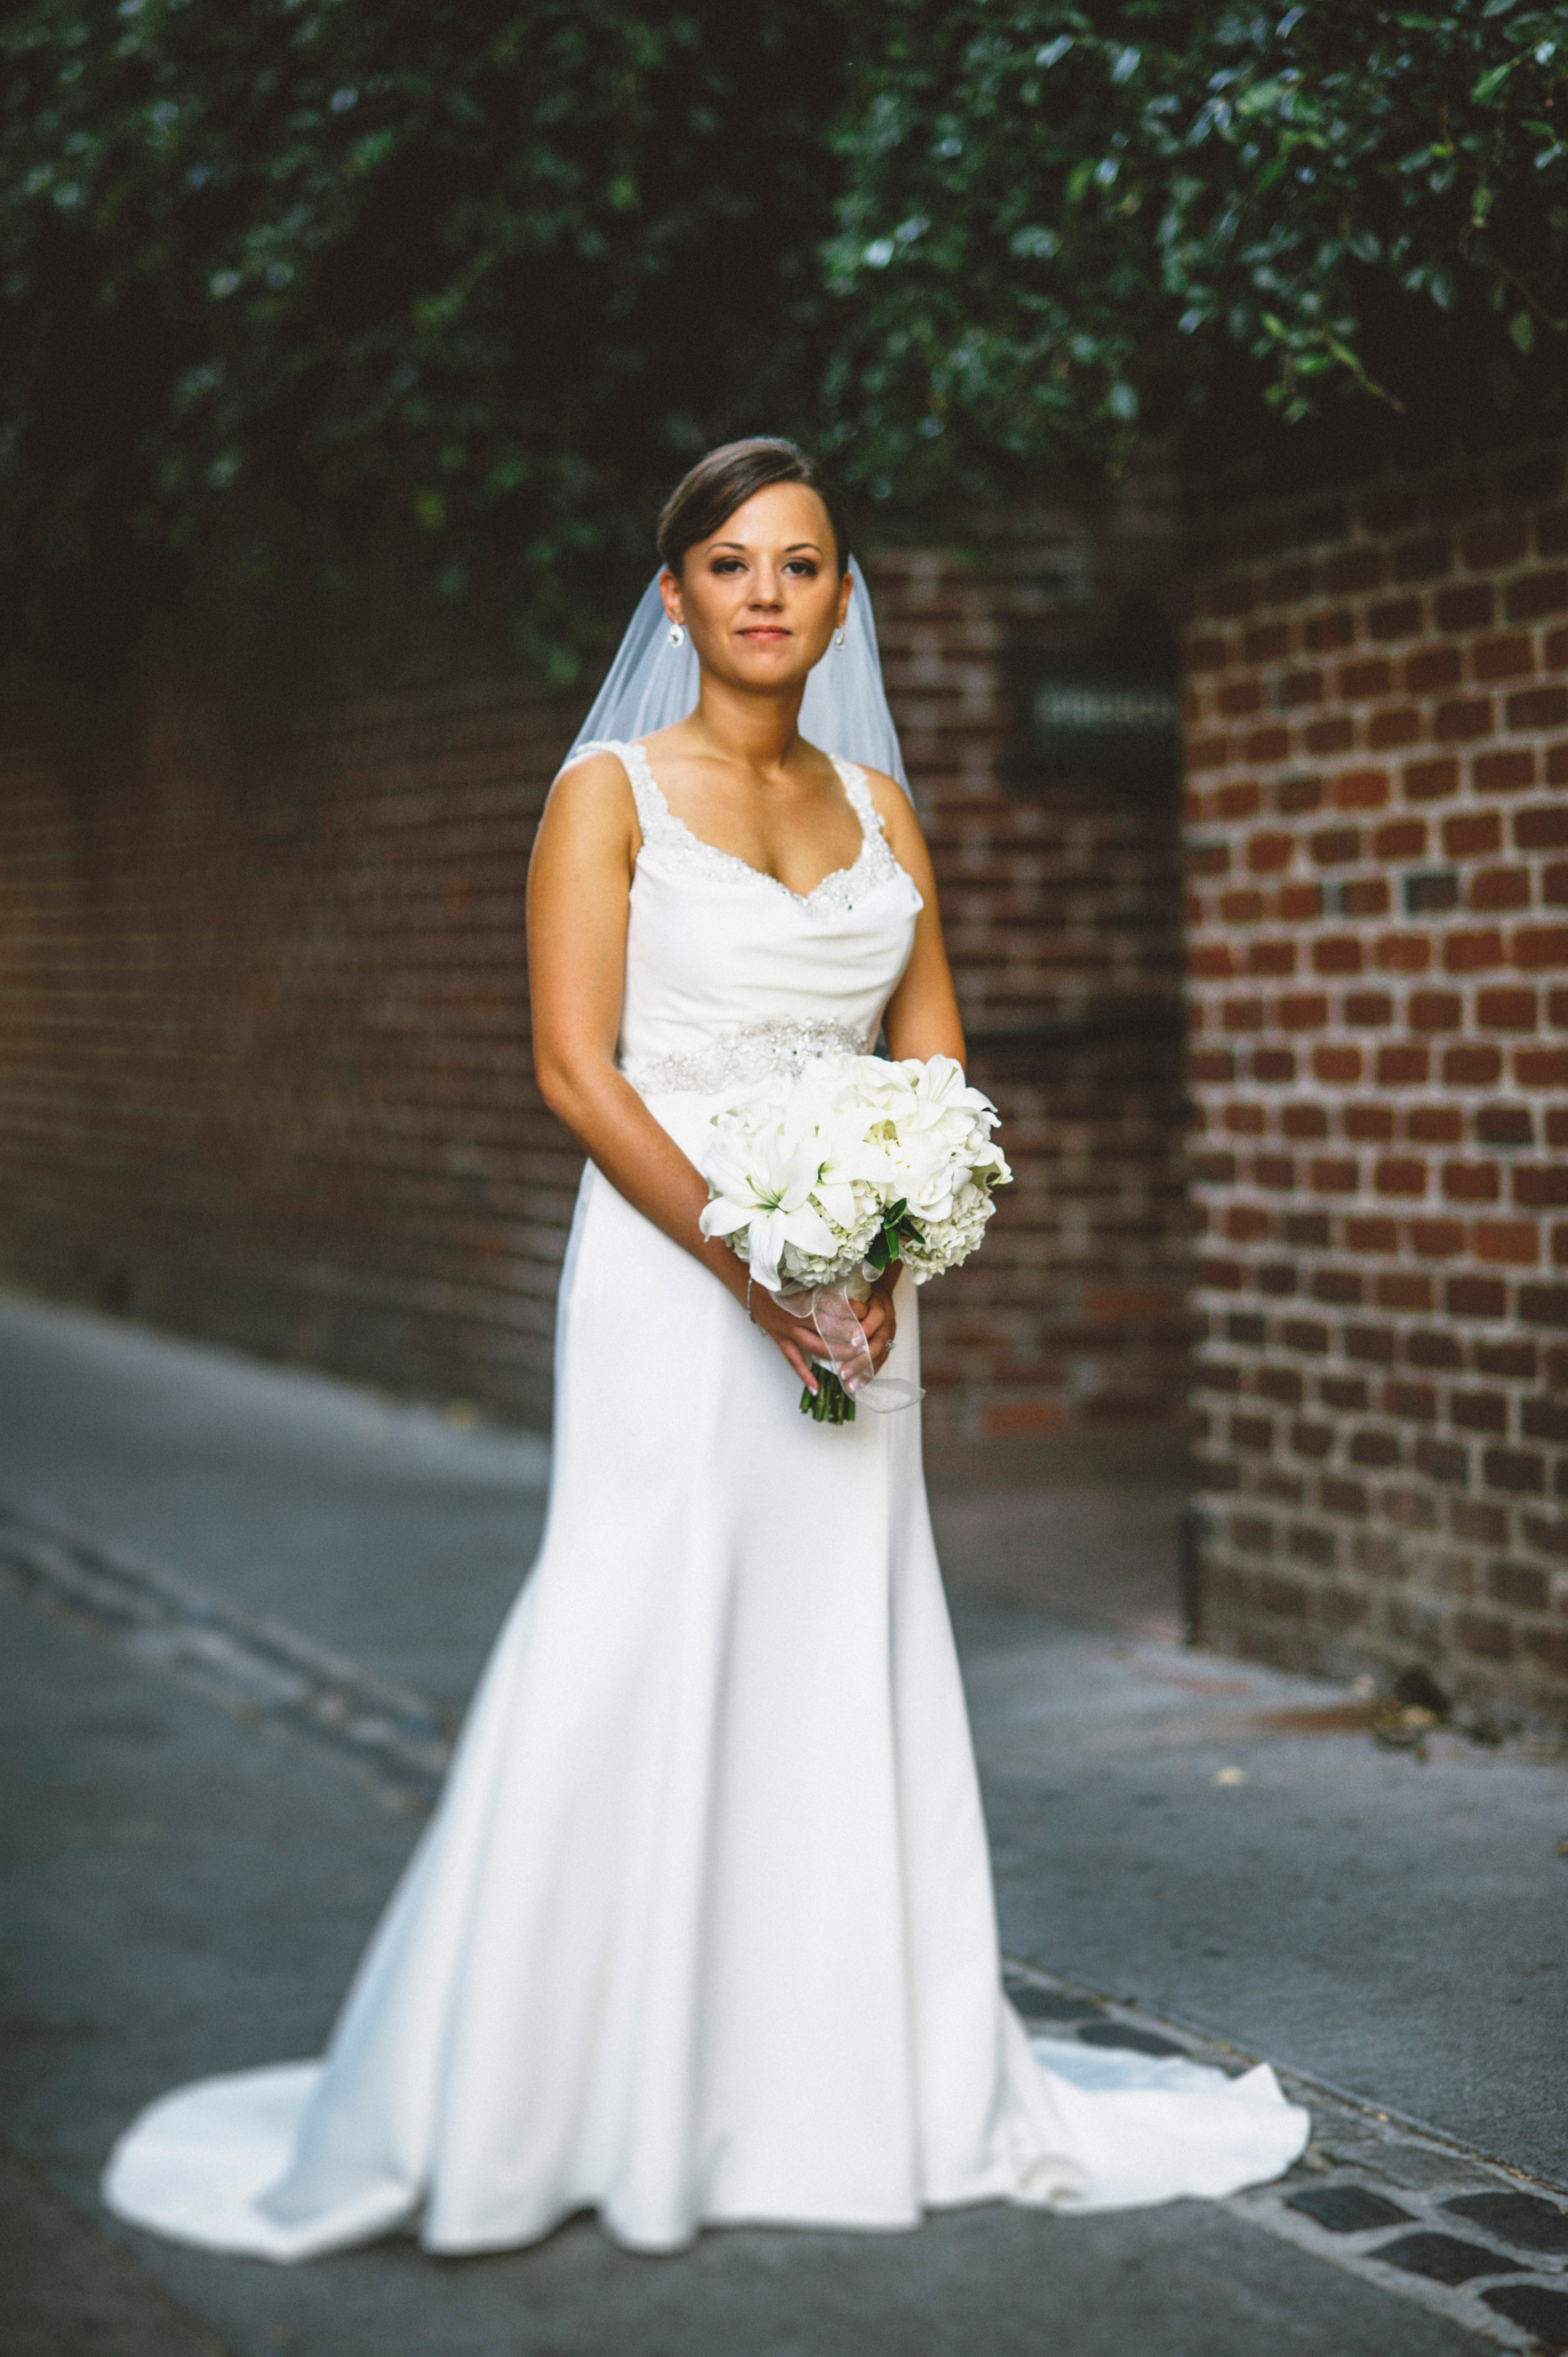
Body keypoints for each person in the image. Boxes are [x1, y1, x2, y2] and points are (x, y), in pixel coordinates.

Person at [102, 439, 1307, 2261]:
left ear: (842, 599)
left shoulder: (881, 811)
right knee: (632, 1628)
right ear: (674, 596)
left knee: (845, 1646)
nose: (766, 593)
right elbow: (576, 1070)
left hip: (860, 1290)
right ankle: (562, 2084)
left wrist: (888, 1249)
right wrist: (762, 1267)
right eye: (730, 564)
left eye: (802, 564)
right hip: (683, 1283)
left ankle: (839, 2076)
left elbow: (934, 1060)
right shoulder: (608, 794)